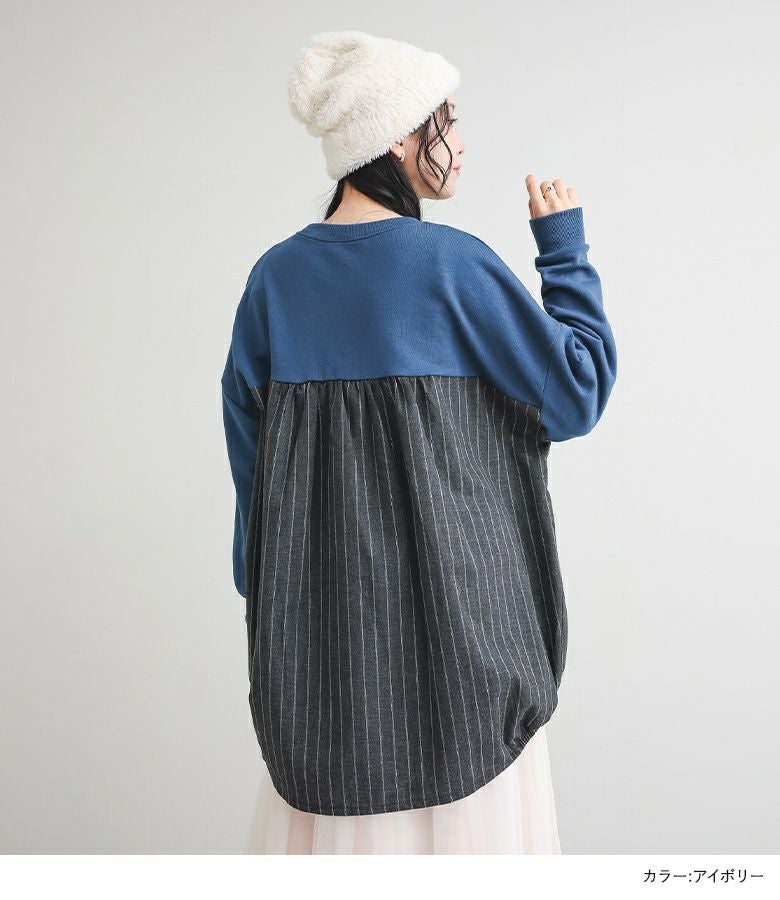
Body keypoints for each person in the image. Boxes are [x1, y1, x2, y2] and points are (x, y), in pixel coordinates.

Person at [221, 29, 618, 854]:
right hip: (467, 663)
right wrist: (565, 252)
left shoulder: (273, 282)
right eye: (448, 119)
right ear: (400, 136)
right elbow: (576, 391)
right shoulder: (452, 267)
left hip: (324, 672)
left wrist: (282, 609)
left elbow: (252, 496)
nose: (460, 141)